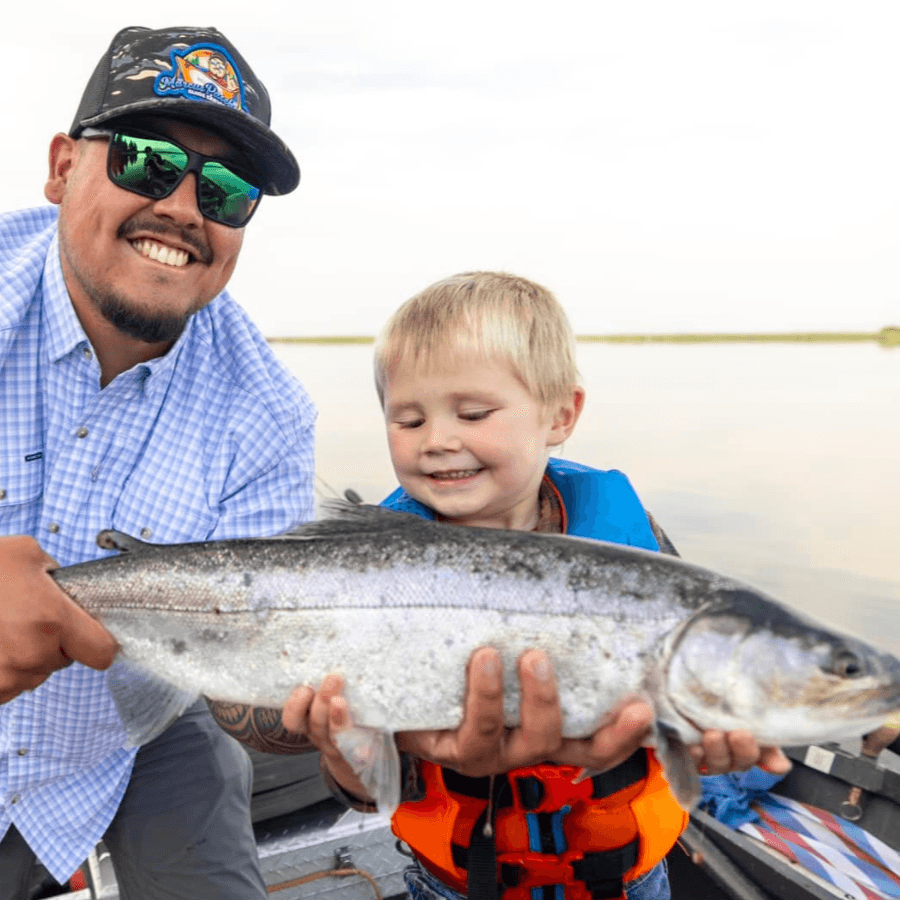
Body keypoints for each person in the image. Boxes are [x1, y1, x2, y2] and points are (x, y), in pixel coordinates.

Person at [284, 271, 791, 900]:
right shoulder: (365, 576)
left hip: (630, 882)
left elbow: (690, 667)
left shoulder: (632, 544)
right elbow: (374, 790)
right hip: (457, 885)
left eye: (473, 413)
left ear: (560, 414)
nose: (439, 441)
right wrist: (344, 757)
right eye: (408, 421)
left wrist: (712, 738)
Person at [0, 25, 317, 900]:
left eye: (225, 189)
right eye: (145, 161)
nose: (183, 206)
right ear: (64, 167)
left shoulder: (271, 415)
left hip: (130, 727)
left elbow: (253, 688)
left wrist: (354, 708)